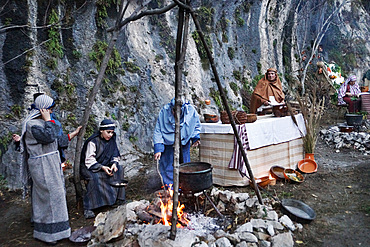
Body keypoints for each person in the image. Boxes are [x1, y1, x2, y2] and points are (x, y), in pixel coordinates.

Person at [18, 94, 71, 244]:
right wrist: (48, 119)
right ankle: (48, 235)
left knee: (57, 194)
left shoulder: (46, 122)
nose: (51, 111)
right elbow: (49, 136)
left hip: (51, 162)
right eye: (49, 109)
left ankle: (61, 231)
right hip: (42, 165)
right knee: (50, 195)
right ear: (43, 109)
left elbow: (57, 138)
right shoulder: (32, 124)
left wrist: (69, 135)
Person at [80, 119, 125, 219]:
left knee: (119, 169)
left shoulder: (112, 140)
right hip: (90, 167)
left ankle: (118, 200)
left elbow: (115, 154)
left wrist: (114, 163)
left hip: (105, 164)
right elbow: (89, 160)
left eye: (112, 132)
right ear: (101, 131)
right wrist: (102, 167)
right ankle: (89, 207)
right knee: (94, 178)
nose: (110, 135)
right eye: (108, 132)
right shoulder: (93, 141)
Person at [153, 98, 201, 187]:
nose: (175, 113)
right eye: (174, 110)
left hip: (184, 143)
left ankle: (183, 187)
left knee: (184, 166)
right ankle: (169, 188)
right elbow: (158, 130)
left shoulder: (190, 111)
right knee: (168, 167)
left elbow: (196, 125)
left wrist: (195, 138)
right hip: (168, 145)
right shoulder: (164, 112)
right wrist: (158, 148)